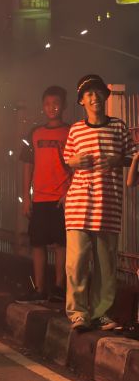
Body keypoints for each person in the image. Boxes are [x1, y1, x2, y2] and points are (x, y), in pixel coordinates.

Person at [65, 74, 134, 331]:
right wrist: (72, 162)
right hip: (78, 206)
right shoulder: (76, 130)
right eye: (89, 94)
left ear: (106, 96)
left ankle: (101, 312)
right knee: (77, 263)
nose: (94, 98)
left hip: (109, 205)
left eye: (98, 93)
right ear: (82, 101)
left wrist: (117, 161)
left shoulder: (119, 127)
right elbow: (67, 160)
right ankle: (78, 313)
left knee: (106, 264)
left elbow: (131, 158)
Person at [20, 85, 72, 303]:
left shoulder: (71, 132)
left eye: (56, 103)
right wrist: (26, 197)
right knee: (38, 244)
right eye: (48, 104)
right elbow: (27, 166)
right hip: (39, 197)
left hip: (61, 198)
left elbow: (76, 166)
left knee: (61, 244)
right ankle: (39, 289)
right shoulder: (35, 133)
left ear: (64, 106)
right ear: (43, 107)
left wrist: (69, 192)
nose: (52, 108)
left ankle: (59, 288)